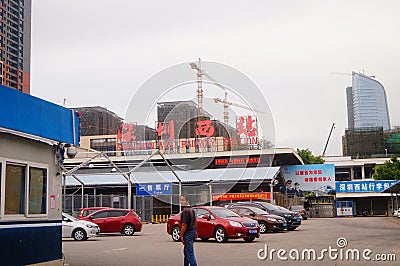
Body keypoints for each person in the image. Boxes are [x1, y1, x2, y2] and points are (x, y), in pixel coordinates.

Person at [180, 197, 197, 266]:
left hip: (188, 232)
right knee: (186, 251)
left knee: (190, 253)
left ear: (187, 201)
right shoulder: (192, 209)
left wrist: (181, 235)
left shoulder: (186, 211)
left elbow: (184, 224)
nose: (181, 202)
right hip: (193, 231)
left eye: (183, 200)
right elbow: (196, 222)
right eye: (180, 200)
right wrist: (195, 231)